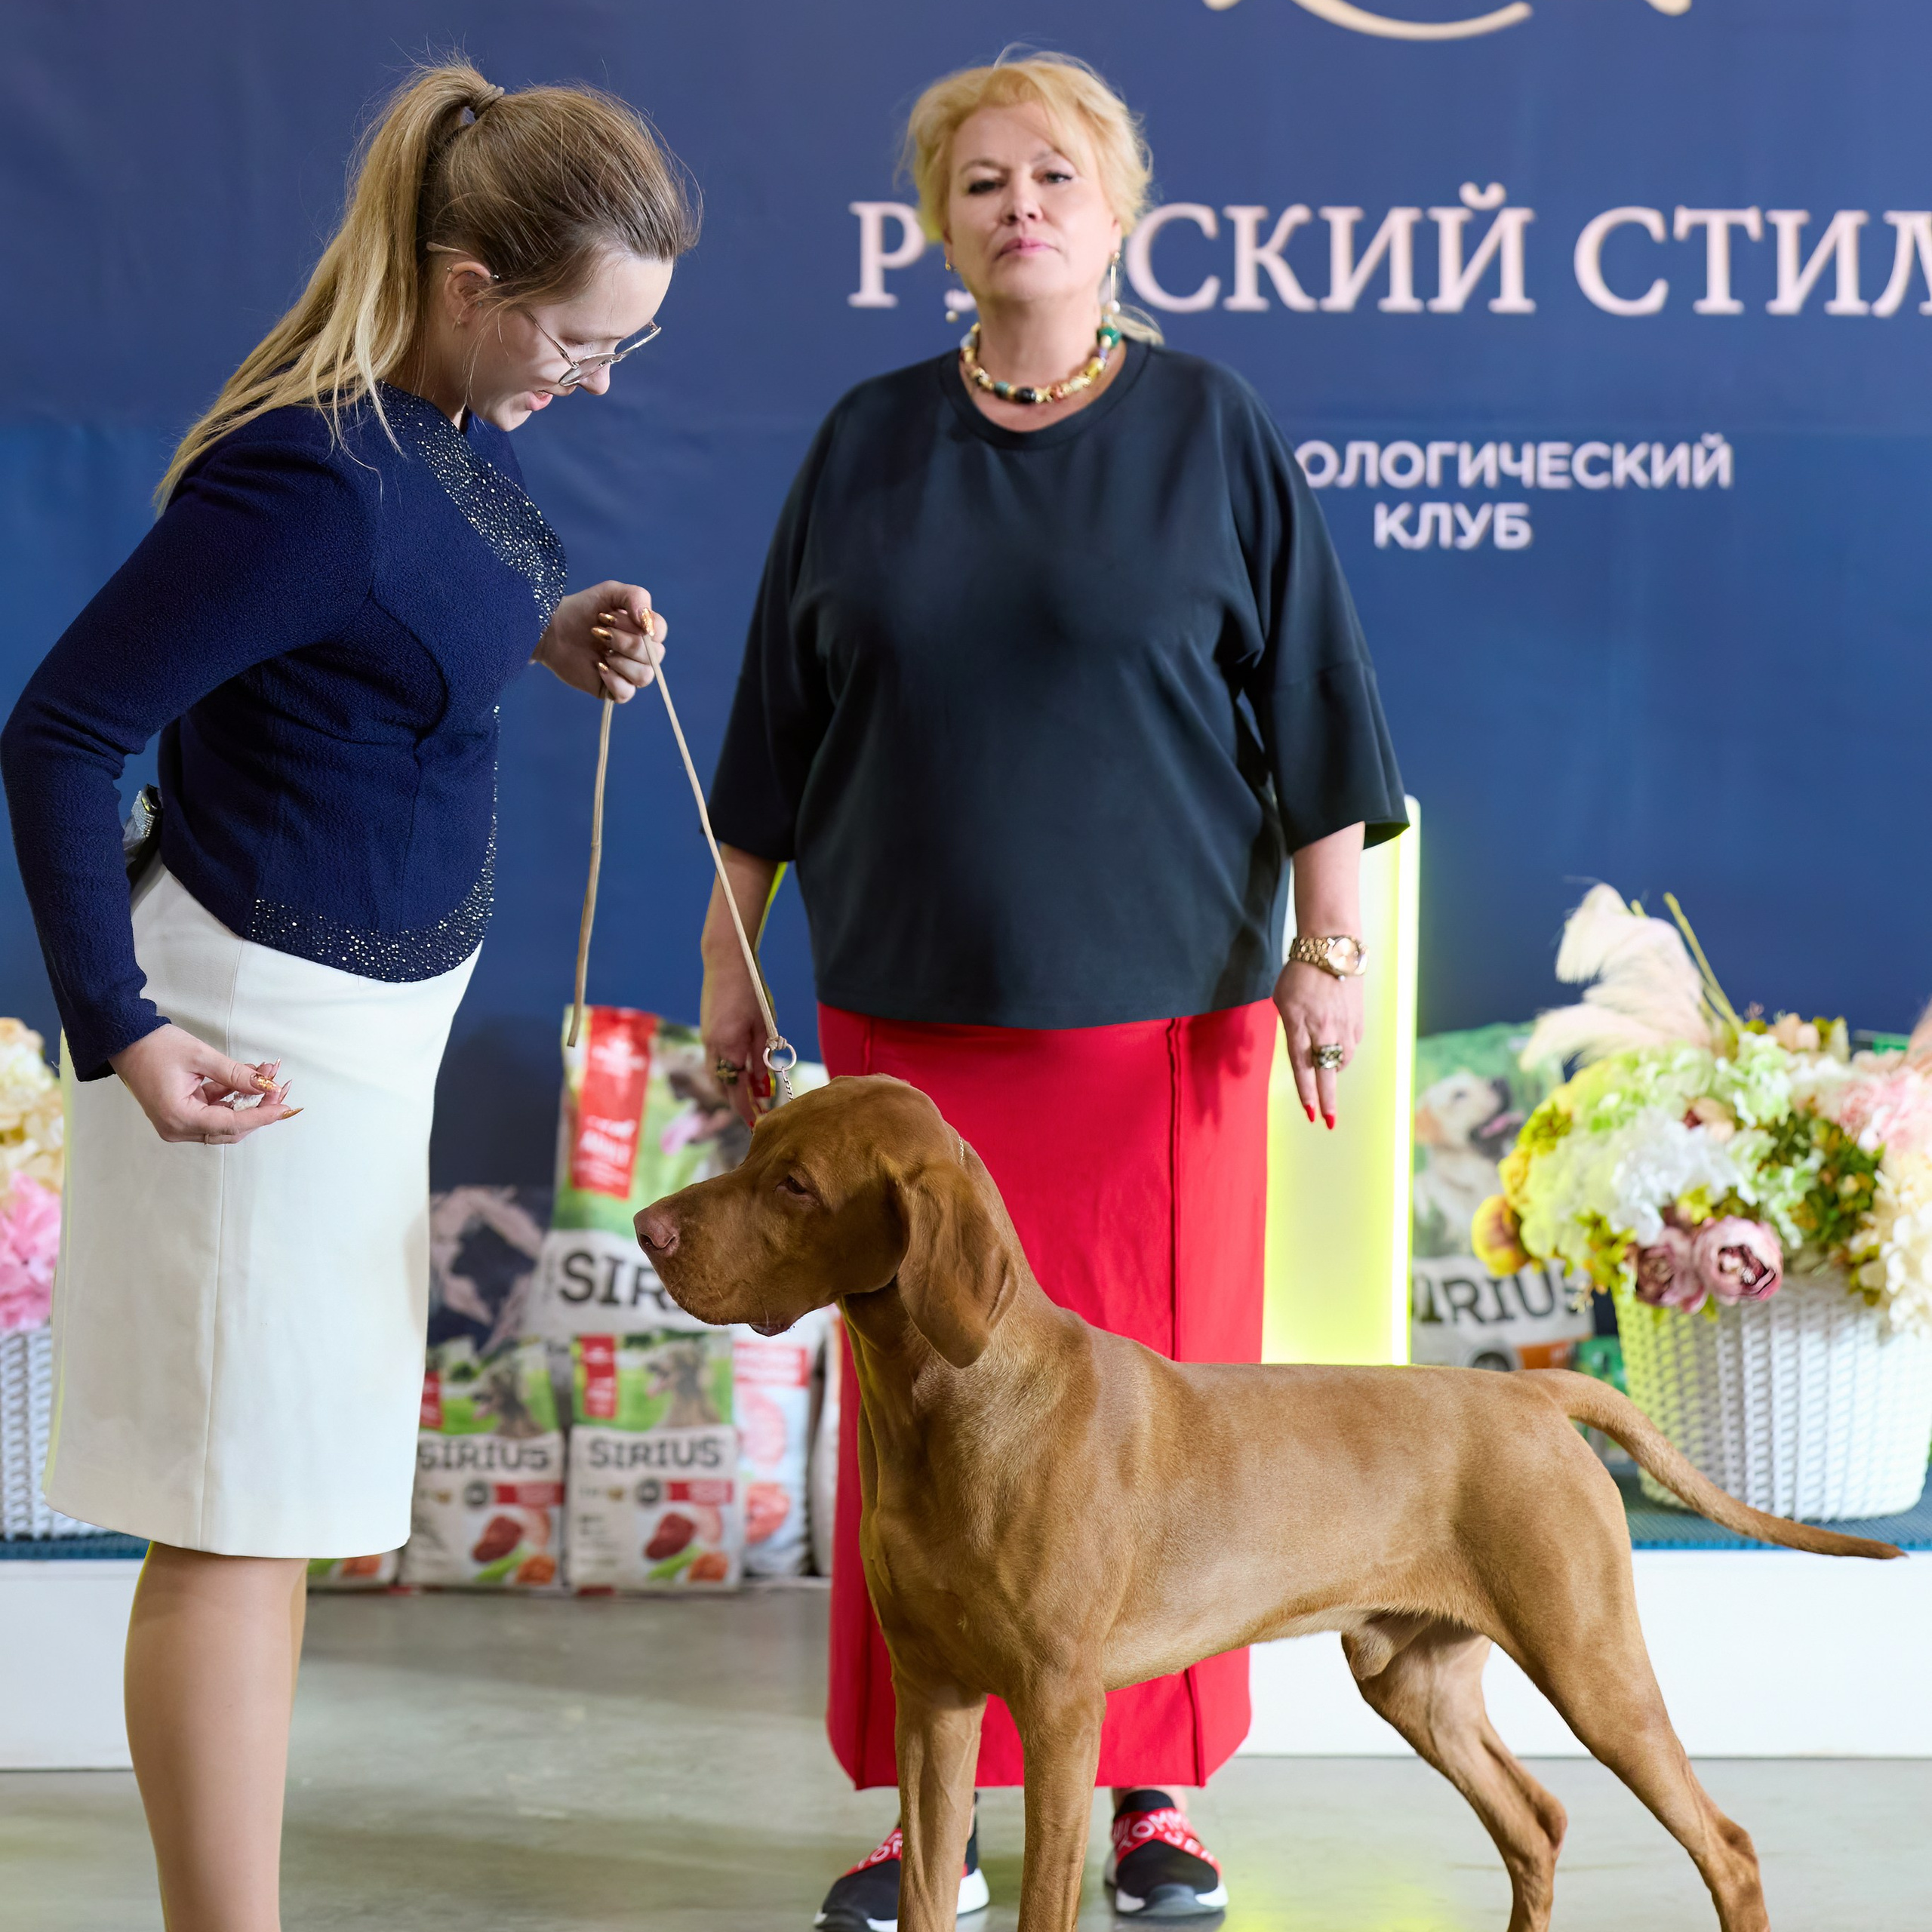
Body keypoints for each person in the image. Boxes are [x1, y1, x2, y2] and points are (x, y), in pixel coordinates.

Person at [697, 51, 1406, 1930]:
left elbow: (1321, 725)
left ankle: (1153, 1790)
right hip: (901, 1045)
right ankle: (917, 1820)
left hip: (1156, 1032)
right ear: (939, 222)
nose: (1022, 207)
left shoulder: (1212, 429)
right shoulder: (862, 441)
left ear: (1121, 211)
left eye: (1056, 178)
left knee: (1158, 1435)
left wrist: (1325, 955)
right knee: (917, 1428)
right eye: (985, 181)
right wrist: (724, 953)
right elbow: (767, 738)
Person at [0, 62, 694, 1930]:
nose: (594, 378)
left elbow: (402, 609)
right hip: (246, 1047)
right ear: (469, 281)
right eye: (579, 337)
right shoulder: (307, 470)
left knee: (278, 1506)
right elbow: (60, 734)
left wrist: (545, 633)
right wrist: (123, 1026)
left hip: (354, 1051)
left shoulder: (443, 428)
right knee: (232, 1520)